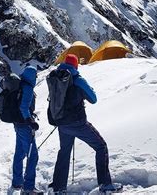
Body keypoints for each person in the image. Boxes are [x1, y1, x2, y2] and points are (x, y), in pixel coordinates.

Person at [50, 54, 121, 194]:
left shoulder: (56, 77)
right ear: (76, 65)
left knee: (64, 152)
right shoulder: (77, 79)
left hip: (61, 123)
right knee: (101, 146)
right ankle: (105, 184)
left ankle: (58, 188)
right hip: (77, 123)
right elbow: (93, 99)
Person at [12, 66, 43, 195]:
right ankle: (29, 187)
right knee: (33, 156)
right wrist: (31, 121)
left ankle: (17, 182)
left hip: (17, 124)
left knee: (19, 153)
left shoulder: (20, 84)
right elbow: (24, 107)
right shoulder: (28, 88)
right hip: (25, 125)